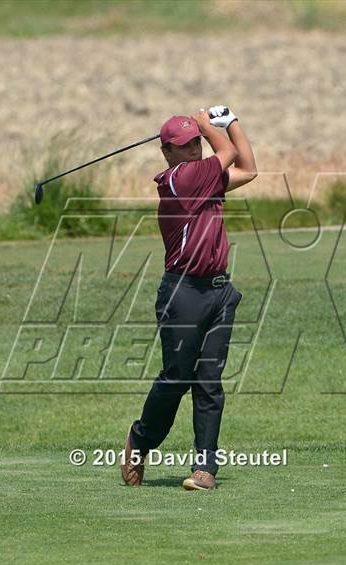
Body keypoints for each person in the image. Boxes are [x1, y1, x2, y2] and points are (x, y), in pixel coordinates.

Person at [121, 105, 257, 490]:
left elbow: (248, 168)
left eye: (196, 142)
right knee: (177, 379)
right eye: (185, 145)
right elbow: (227, 154)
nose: (194, 149)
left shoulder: (204, 179)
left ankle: (205, 469)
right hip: (182, 293)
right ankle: (139, 441)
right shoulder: (179, 180)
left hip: (218, 292)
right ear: (167, 152)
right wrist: (207, 124)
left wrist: (230, 122)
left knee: (209, 381)